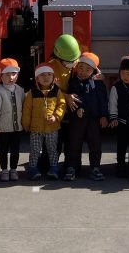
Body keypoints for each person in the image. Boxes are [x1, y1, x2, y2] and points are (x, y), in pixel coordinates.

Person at [64, 52, 109, 181]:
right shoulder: (73, 81)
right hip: (77, 118)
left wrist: (104, 116)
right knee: (74, 143)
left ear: (93, 70)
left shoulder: (98, 83)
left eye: (87, 69)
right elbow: (74, 97)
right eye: (81, 68)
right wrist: (78, 109)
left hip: (93, 118)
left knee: (95, 144)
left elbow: (103, 100)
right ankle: (72, 167)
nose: (83, 72)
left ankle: (95, 168)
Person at [22, 63, 66, 180]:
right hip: (35, 128)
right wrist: (26, 124)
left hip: (52, 128)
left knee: (52, 149)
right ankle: (32, 168)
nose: (46, 77)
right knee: (35, 150)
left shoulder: (57, 91)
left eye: (49, 75)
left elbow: (62, 105)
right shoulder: (32, 93)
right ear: (37, 78)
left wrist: (56, 116)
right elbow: (27, 109)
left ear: (53, 77)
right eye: (42, 75)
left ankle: (54, 168)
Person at [45, 34, 82, 165]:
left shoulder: (77, 63)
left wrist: (98, 75)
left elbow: (91, 68)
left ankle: (71, 166)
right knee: (53, 144)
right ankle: (50, 165)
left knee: (72, 144)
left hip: (72, 113)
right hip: (55, 114)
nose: (72, 63)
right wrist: (66, 96)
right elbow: (45, 89)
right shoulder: (49, 68)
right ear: (58, 57)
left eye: (74, 60)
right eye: (68, 61)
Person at [0, 58, 25, 182]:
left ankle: (13, 169)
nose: (11, 77)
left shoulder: (20, 90)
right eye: (7, 74)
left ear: (17, 75)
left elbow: (24, 107)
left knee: (15, 150)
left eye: (14, 74)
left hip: (17, 128)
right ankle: (4, 170)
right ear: (1, 76)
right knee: (3, 150)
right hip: (3, 128)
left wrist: (25, 122)